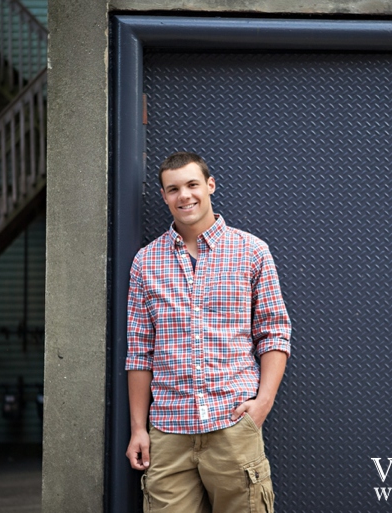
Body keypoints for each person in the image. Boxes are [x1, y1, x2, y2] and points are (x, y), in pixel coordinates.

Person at [125, 151, 292, 512]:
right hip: (168, 434)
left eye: (191, 185)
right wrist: (139, 429)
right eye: (173, 189)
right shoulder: (146, 262)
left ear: (210, 186)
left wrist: (262, 405)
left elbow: (275, 333)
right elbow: (139, 352)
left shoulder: (251, 252)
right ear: (164, 196)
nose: (184, 195)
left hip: (233, 427)